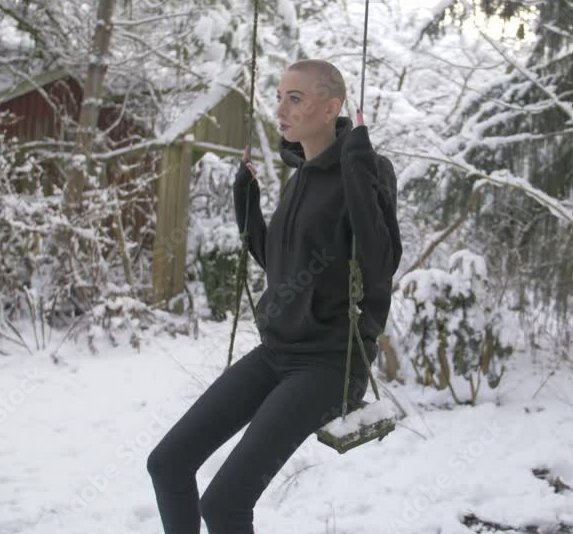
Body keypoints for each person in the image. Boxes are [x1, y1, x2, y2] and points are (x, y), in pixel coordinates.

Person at [146, 59, 402, 534]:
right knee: (167, 463)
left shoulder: (367, 168)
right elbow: (288, 270)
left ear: (331, 108)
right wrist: (249, 213)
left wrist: (361, 177)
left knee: (224, 505)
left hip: (329, 364)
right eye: (280, 95)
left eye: (295, 98)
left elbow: (381, 264)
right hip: (277, 353)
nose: (280, 108)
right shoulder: (299, 176)